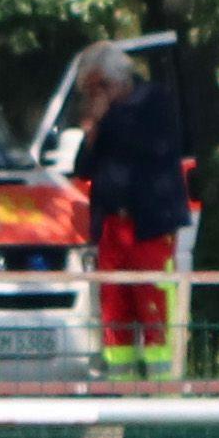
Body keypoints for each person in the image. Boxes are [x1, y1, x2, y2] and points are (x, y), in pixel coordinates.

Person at [71, 44, 191, 379]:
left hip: (150, 227)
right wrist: (94, 126)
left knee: (153, 308)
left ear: (114, 82)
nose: (93, 97)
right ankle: (121, 388)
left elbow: (139, 146)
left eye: (96, 89)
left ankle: (161, 393)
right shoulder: (105, 118)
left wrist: (104, 117)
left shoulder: (154, 101)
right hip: (112, 226)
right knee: (114, 309)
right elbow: (83, 167)